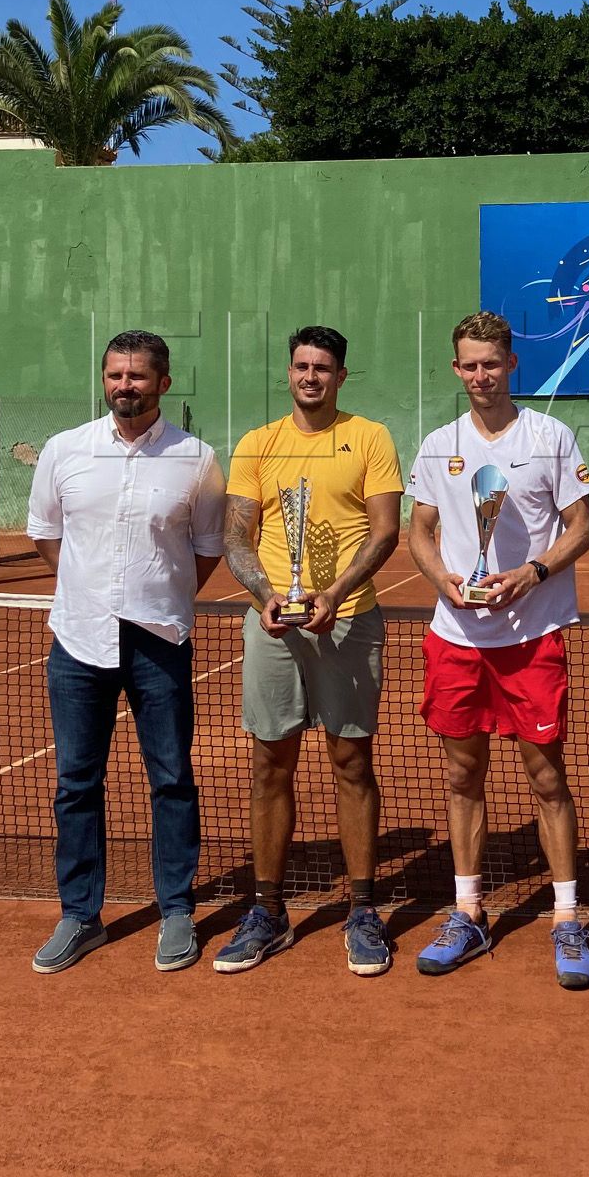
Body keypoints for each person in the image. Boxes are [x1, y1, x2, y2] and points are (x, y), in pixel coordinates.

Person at [26, 330, 227, 975]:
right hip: (79, 637)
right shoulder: (65, 451)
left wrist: (156, 598)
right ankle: (80, 915)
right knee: (76, 783)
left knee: (171, 779)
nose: (125, 387)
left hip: (158, 640)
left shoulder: (196, 459)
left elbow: (205, 549)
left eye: (138, 376)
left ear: (164, 383)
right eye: (115, 375)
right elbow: (47, 536)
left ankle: (175, 910)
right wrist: (90, 596)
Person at [406, 311, 589, 985]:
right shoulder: (438, 445)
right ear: (455, 370)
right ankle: (469, 912)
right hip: (455, 637)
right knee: (463, 777)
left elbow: (583, 529)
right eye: (469, 364)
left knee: (546, 779)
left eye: (492, 362)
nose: (481, 375)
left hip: (530, 639)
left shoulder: (550, 437)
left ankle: (569, 918)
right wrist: (444, 581)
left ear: (512, 365)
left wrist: (533, 572)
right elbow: (420, 532)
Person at [214, 325, 402, 976]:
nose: (311, 377)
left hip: (349, 624)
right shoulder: (258, 444)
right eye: (301, 366)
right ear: (289, 372)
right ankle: (267, 911)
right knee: (270, 766)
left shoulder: (370, 437)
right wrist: (267, 592)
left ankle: (363, 910)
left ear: (341, 376)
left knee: (351, 763)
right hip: (273, 627)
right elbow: (238, 533)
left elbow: (385, 530)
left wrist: (335, 591)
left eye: (323, 367)